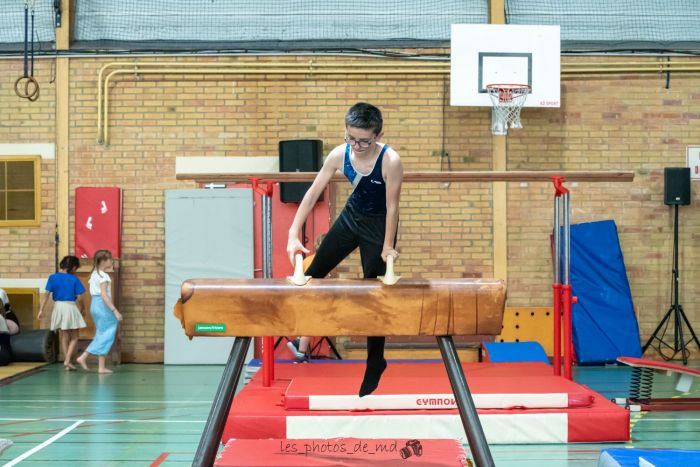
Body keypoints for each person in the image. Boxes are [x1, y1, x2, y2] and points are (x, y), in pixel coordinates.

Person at [286, 102, 403, 397]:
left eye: (365, 140)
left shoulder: (391, 161)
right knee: (312, 276)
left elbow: (392, 207)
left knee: (374, 295)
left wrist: (388, 245)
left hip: (378, 226)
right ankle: (304, 339)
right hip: (351, 218)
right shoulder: (340, 154)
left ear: (378, 135)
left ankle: (375, 361)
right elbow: (313, 191)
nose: (358, 145)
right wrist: (292, 233)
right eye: (352, 138)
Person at [37, 256, 87, 370]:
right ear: (74, 267)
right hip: (70, 306)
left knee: (64, 335)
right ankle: (68, 360)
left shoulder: (53, 277)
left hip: (58, 306)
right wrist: (83, 308)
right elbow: (80, 297)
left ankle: (67, 362)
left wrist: (41, 310)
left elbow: (46, 295)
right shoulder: (74, 279)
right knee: (75, 336)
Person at [76, 250, 122, 373]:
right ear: (103, 261)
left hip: (95, 305)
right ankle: (84, 356)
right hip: (102, 306)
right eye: (110, 259)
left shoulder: (94, 274)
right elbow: (104, 296)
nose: (112, 261)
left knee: (102, 333)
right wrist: (115, 310)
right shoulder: (104, 276)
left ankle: (100, 366)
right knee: (108, 331)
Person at [287, 233, 327, 363]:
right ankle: (301, 354)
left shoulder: (306, 260)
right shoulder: (324, 262)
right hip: (311, 298)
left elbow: (297, 276)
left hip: (301, 297)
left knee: (308, 323)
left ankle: (299, 342)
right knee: (310, 324)